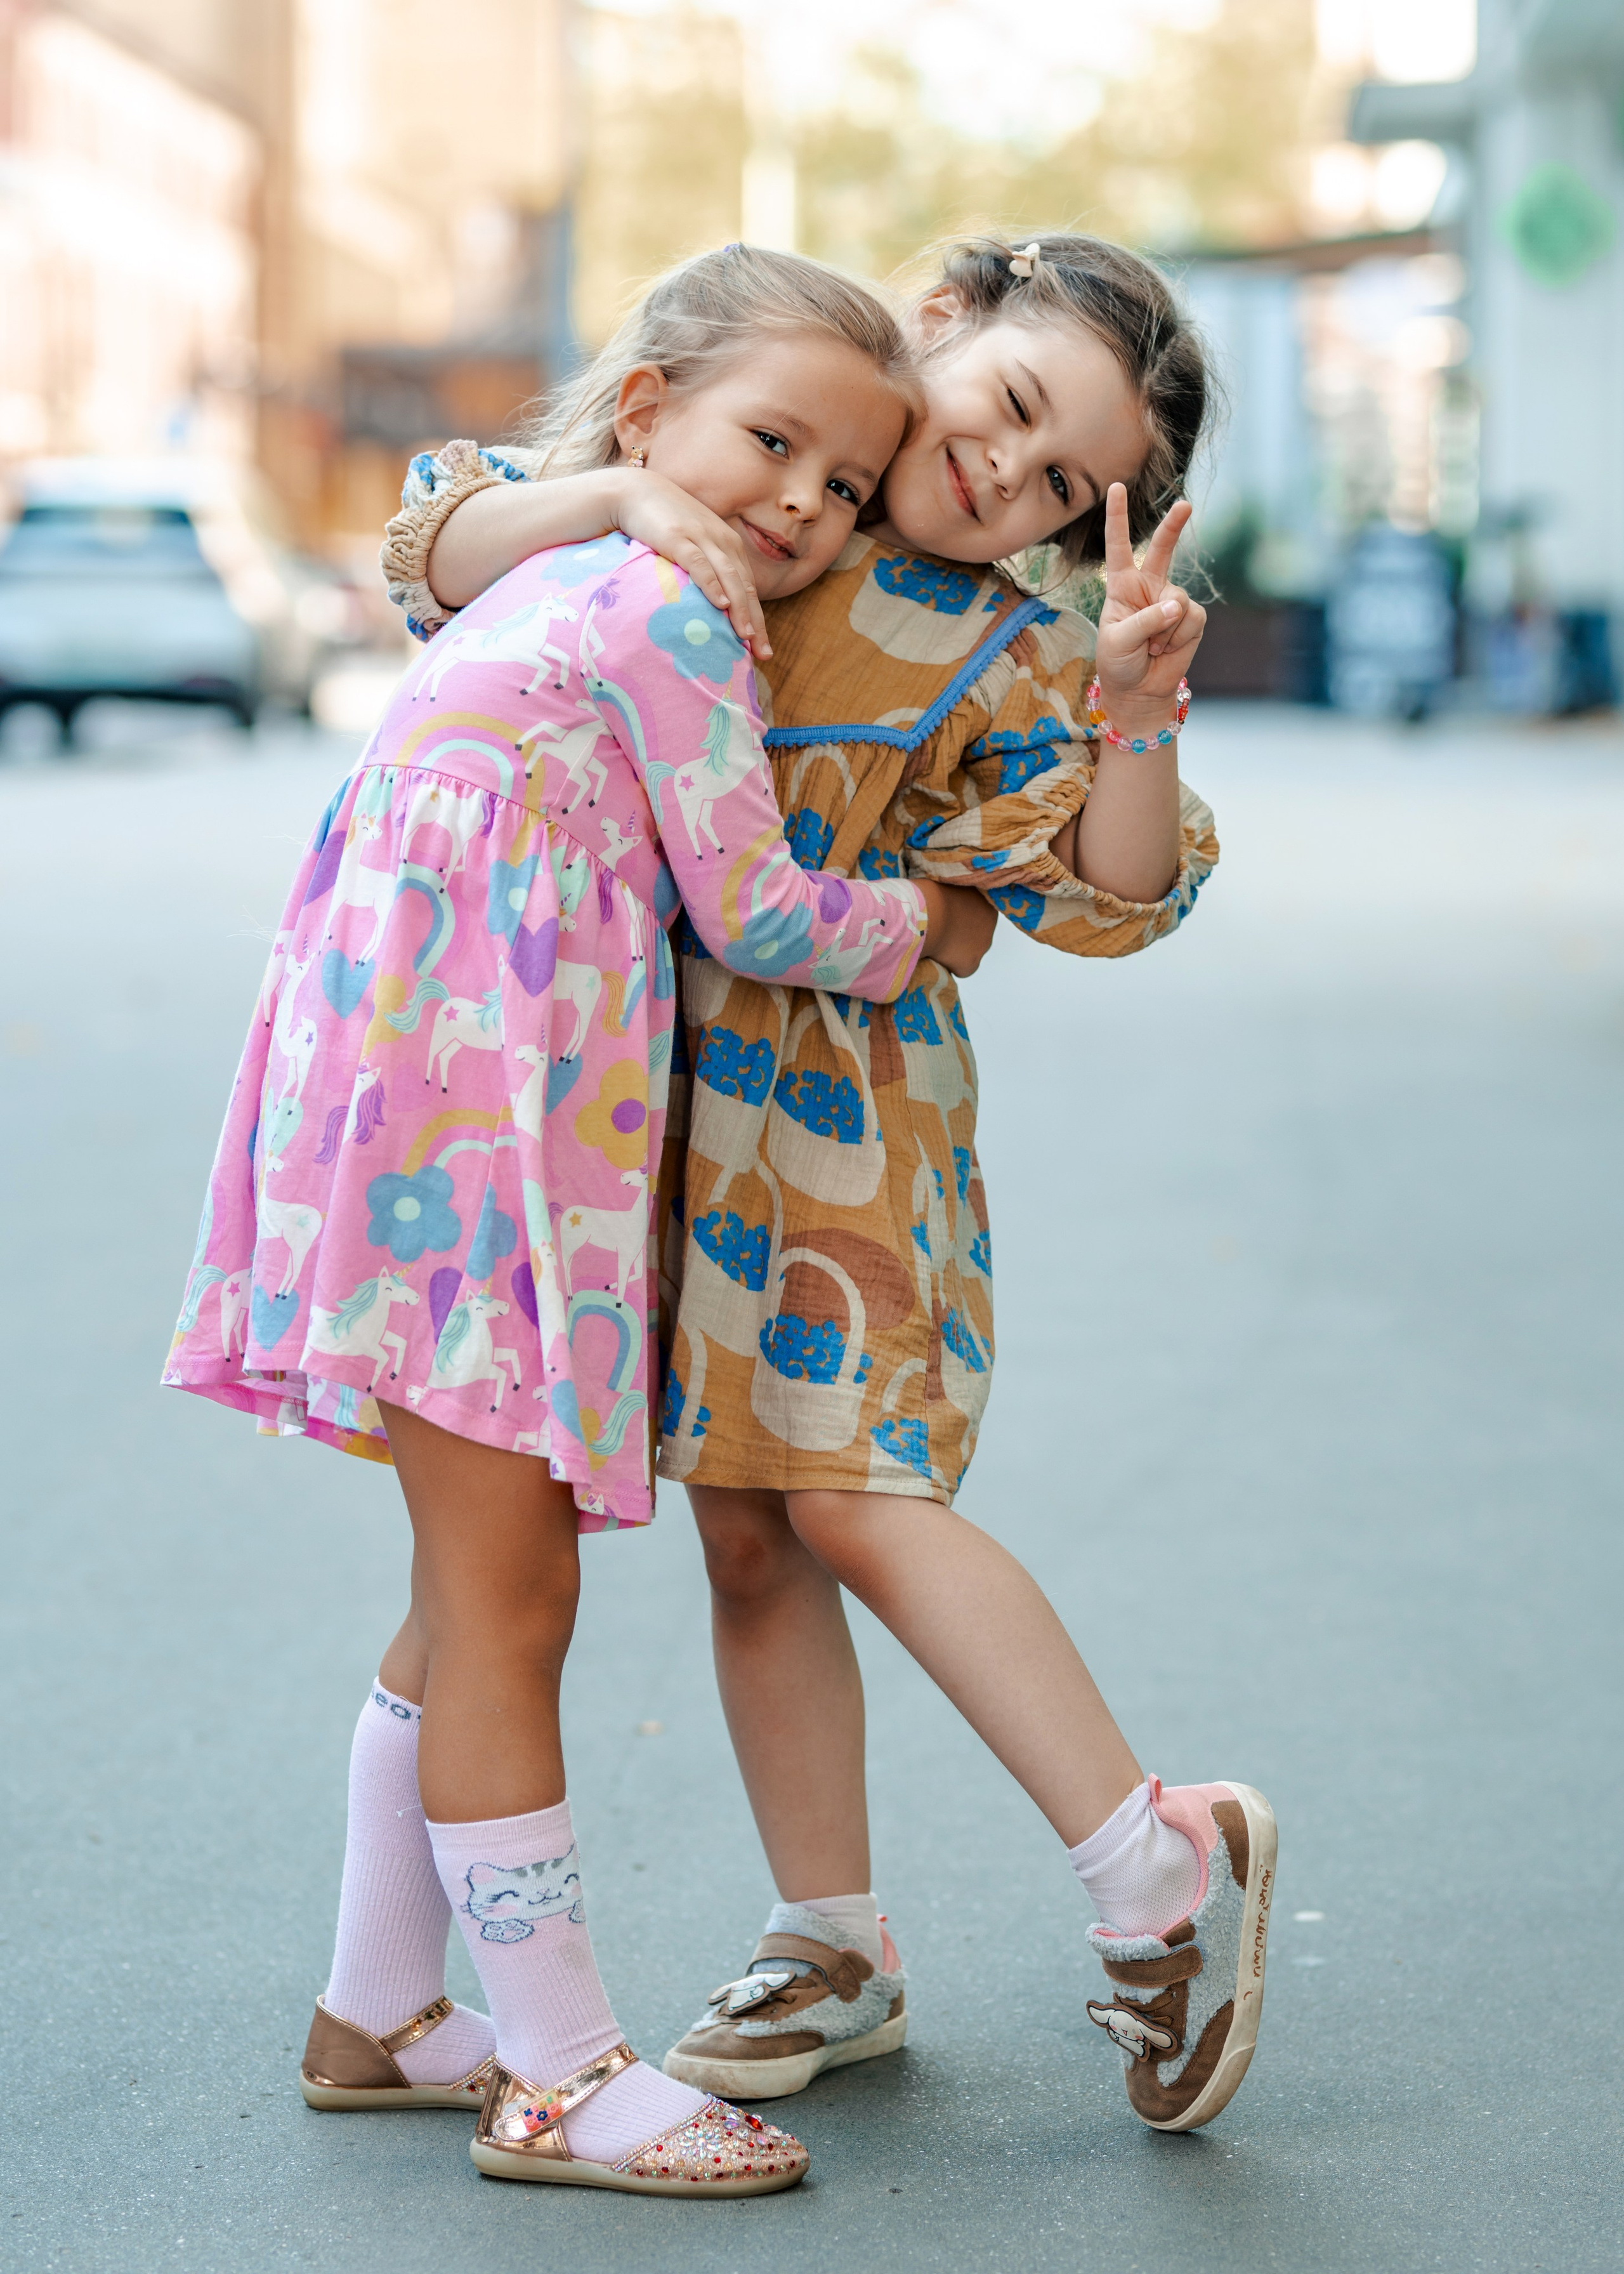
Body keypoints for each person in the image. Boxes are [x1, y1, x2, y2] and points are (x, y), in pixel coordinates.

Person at [381, 231, 1274, 2138]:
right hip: (630, 1100)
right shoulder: (740, 471)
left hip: (841, 1125)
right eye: (1009, 408)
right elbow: (437, 549)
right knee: (747, 1537)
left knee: (856, 1496)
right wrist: (622, 494)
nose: (1005, 478)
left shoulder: (1014, 648)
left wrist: (1131, 708)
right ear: (941, 320)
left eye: (1060, 487)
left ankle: (1151, 1853)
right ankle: (832, 1937)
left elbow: (1113, 895)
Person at [163, 244, 1004, 2198]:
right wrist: (937, 922)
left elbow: (442, 548)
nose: (801, 504)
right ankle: (559, 2069)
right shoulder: (668, 601)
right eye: (772, 445)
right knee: (508, 1602)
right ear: (648, 411)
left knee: (465, 1580)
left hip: (414, 1112)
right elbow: (756, 905)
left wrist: (626, 495)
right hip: (474, 1138)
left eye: (844, 486)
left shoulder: (557, 564)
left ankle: (382, 2010)